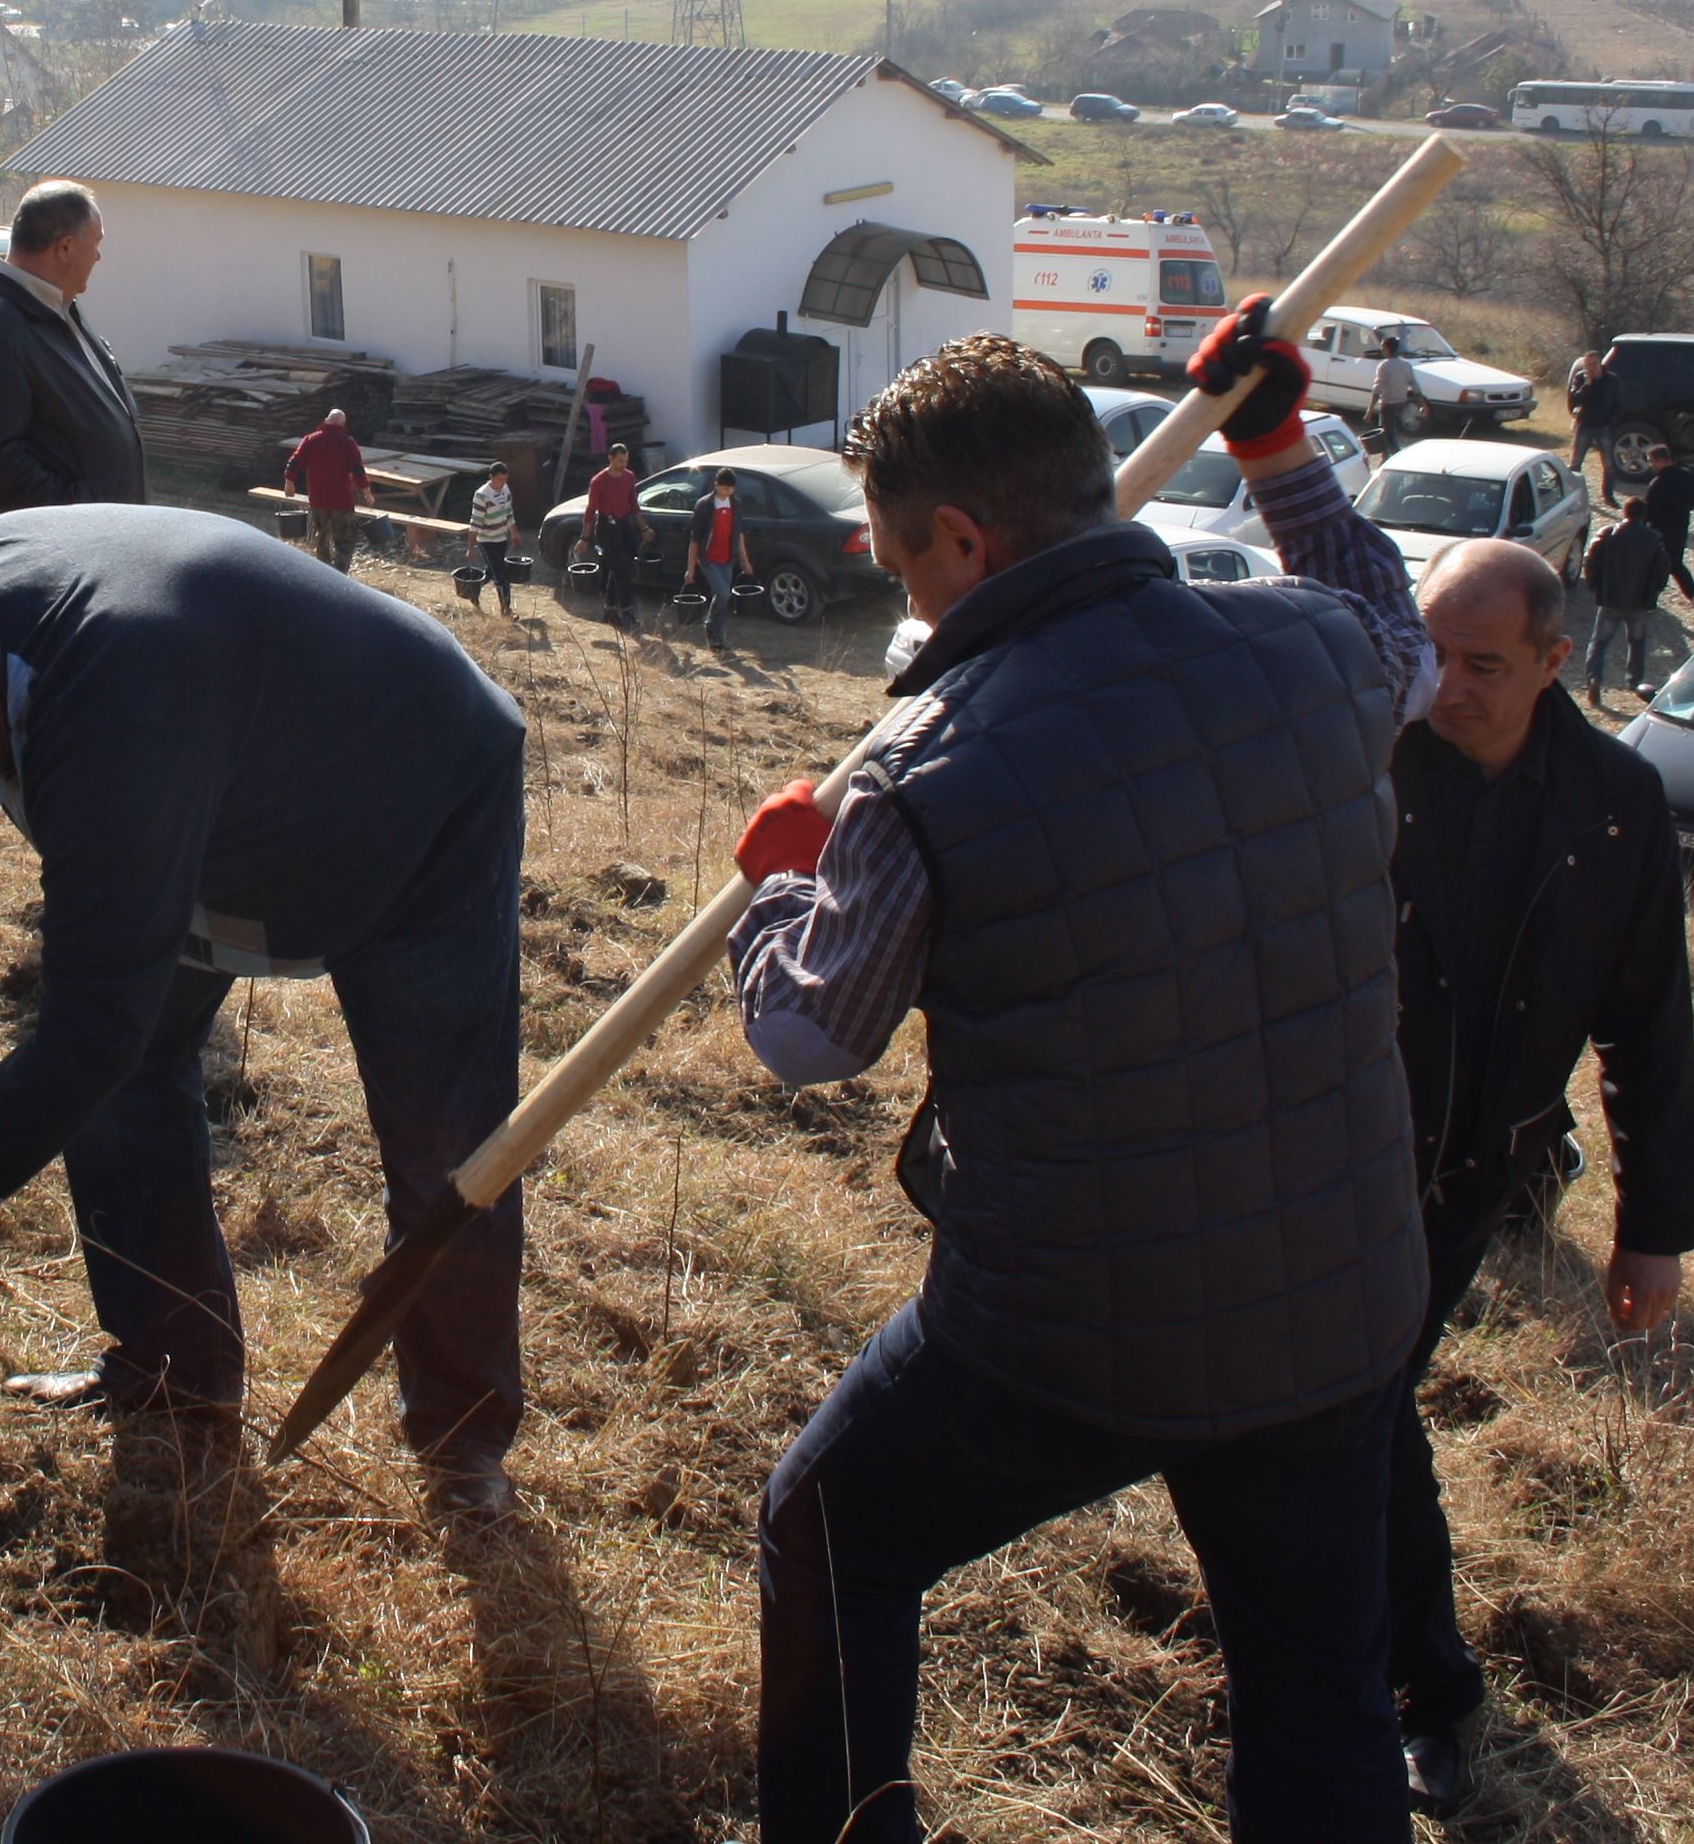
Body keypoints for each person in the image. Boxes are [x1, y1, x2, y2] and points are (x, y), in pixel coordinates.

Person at [727, 321, 1430, 1844]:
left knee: (827, 1529)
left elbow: (808, 1040)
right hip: (1337, 1290)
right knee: (1318, 1691)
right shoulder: (1315, 650)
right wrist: (1277, 454)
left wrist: (778, 889)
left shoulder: (923, 770)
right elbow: (1399, 622)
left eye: (899, 562)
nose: (901, 594)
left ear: (963, 538)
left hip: (1073, 1333)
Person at [0, 506, 532, 1521]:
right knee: (122, 1090)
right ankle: (173, 1375)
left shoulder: (114, 711)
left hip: (415, 794)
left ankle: (462, 1445)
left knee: (447, 1148)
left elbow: (90, 1030)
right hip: (215, 794)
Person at [1379, 534, 1694, 1811]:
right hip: (1330, 1159)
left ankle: (1422, 1692)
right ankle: (1384, 1675)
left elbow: (1651, 1027)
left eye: (1482, 665)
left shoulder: (1614, 807)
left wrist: (1653, 1227)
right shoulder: (1369, 759)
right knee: (1345, 1405)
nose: (1445, 685)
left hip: (1467, 1177)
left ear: (1556, 661)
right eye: (1430, 653)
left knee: (1354, 1406)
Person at [0, 179, 148, 518]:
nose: (99, 256)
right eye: (96, 242)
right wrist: (83, 511)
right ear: (65, 247)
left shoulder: (58, 304)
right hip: (70, 541)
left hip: (108, 532)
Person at [1584, 492, 1671, 707]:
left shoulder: (1608, 534)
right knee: (1637, 642)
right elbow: (1663, 567)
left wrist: (1594, 585)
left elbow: (1590, 559)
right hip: (1638, 601)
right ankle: (1634, 681)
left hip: (1610, 598)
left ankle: (1594, 677)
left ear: (1625, 512)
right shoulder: (1652, 538)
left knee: (1599, 642)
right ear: (1643, 515)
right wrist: (1656, 590)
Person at [285, 408, 371, 573]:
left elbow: (294, 461)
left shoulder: (310, 440)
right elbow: (358, 470)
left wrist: (289, 481)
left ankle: (323, 573)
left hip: (318, 500)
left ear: (326, 420)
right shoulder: (348, 443)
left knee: (321, 539)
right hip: (342, 502)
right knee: (345, 541)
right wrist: (367, 493)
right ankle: (340, 574)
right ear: (343, 424)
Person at [685, 465, 754, 648]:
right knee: (723, 593)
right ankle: (711, 626)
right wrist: (690, 568)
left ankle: (718, 637)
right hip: (708, 559)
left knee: (721, 597)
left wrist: (744, 560)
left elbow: (738, 534)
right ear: (716, 485)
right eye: (724, 488)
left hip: (727, 558)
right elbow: (695, 539)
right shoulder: (704, 505)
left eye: (731, 489)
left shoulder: (735, 504)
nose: (727, 492)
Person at [582, 442, 645, 627]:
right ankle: (626, 610)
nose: (623, 465)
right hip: (607, 527)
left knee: (621, 569)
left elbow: (633, 504)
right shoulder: (598, 481)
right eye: (619, 461)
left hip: (625, 524)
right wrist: (585, 537)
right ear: (610, 458)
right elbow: (590, 510)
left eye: (625, 461)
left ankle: (609, 609)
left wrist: (644, 528)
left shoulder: (629, 477)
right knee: (622, 570)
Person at [1641, 441, 1694, 607]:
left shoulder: (1658, 483)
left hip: (1659, 530)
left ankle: (1648, 600)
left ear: (1660, 460)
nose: (1650, 465)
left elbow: (1648, 510)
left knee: (1652, 565)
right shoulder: (1686, 475)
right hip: (1680, 527)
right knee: (1676, 564)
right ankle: (1692, 594)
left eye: (1651, 461)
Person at [1567, 348, 1620, 502]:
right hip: (1585, 425)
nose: (1590, 368)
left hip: (1604, 426)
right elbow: (1574, 399)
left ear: (1600, 363)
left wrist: (1612, 422)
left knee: (1609, 464)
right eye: (1587, 365)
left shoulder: (1612, 380)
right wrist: (1587, 385)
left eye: (1593, 364)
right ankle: (1572, 493)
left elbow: (1618, 403)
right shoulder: (1580, 378)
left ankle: (1608, 496)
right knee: (1576, 462)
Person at [465, 464, 519, 616]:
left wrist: (514, 533)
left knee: (492, 570)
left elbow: (508, 512)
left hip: (501, 537)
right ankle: (506, 609)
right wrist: (471, 547)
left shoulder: (505, 490)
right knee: (501, 574)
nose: (503, 483)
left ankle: (473, 590)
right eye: (500, 479)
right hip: (487, 540)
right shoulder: (482, 495)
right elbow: (475, 523)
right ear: (491, 477)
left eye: (505, 479)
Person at [1368, 332, 1420, 456]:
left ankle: (1395, 457)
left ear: (1387, 349)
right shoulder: (1405, 365)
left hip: (1388, 405)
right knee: (1391, 433)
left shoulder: (1384, 366)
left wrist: (1370, 410)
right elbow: (1414, 385)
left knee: (1388, 435)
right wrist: (1423, 404)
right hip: (1401, 403)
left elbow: (1377, 389)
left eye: (1382, 347)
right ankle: (1385, 457)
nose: (1381, 349)